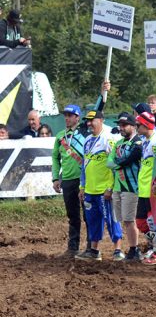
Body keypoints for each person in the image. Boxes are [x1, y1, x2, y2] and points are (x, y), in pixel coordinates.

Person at [76, 110, 121, 261]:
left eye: (92, 120)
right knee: (93, 221)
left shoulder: (108, 139)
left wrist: (110, 187)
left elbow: (114, 166)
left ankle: (118, 250)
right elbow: (84, 165)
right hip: (90, 190)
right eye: (87, 121)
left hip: (104, 189)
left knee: (111, 219)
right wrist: (82, 187)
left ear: (101, 120)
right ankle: (94, 251)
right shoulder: (87, 140)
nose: (89, 124)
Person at [109, 112, 145, 261]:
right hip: (118, 186)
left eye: (124, 125)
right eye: (120, 125)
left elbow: (129, 159)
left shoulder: (138, 142)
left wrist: (118, 162)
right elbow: (109, 162)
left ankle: (134, 249)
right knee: (123, 219)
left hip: (132, 186)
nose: (121, 128)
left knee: (130, 220)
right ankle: (132, 247)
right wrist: (120, 163)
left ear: (133, 126)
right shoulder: (118, 143)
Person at [52, 104, 86, 256]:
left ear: (77, 117)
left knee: (88, 214)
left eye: (70, 115)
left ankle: (91, 248)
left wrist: (103, 93)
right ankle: (73, 248)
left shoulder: (84, 131)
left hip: (84, 179)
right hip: (67, 180)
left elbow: (98, 108)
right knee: (72, 215)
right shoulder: (60, 136)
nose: (66, 118)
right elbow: (55, 158)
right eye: (65, 115)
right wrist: (55, 178)